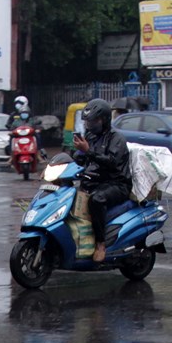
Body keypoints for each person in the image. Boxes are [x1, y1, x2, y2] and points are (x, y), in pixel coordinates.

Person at [72, 98, 132, 263]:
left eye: (94, 121)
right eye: (88, 122)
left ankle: (100, 244)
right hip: (96, 181)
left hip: (117, 184)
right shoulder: (90, 136)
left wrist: (88, 151)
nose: (90, 125)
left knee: (96, 201)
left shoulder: (116, 138)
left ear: (105, 120)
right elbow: (80, 158)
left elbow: (111, 162)